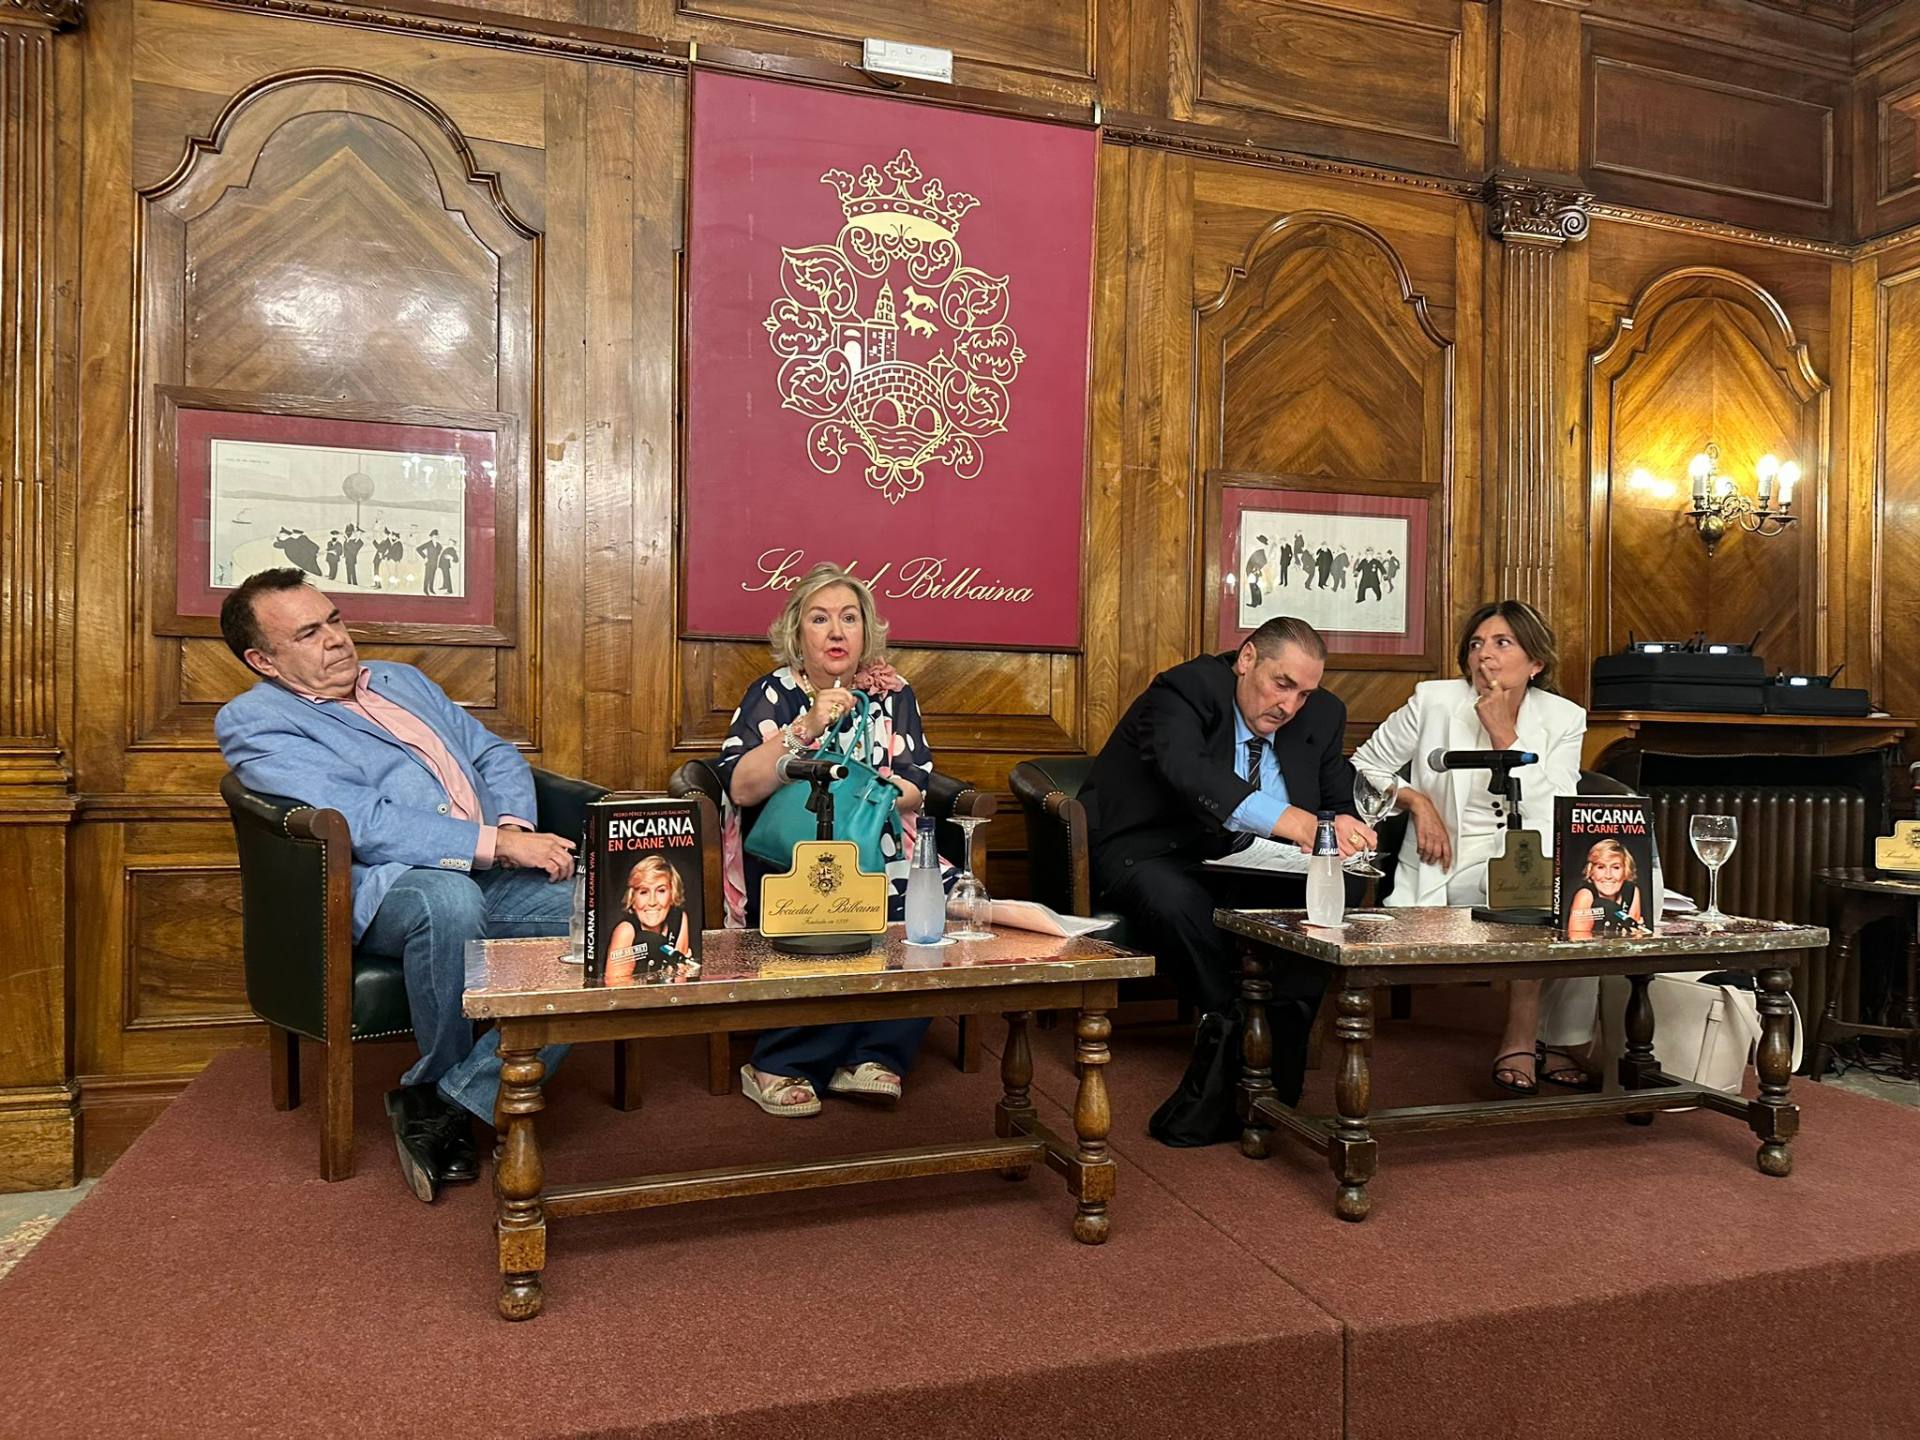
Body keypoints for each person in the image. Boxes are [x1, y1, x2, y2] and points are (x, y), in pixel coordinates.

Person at [214, 568, 576, 1203]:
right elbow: (365, 823)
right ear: (263, 661)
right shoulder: (255, 721)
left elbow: (492, 755)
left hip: (491, 867)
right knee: (448, 900)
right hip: (385, 886)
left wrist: (514, 826)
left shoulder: (400, 681)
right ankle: (452, 1091)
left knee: (609, 919)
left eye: (334, 620)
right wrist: (497, 845)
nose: (336, 639)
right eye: (308, 633)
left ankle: (446, 1098)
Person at [1082, 617, 1375, 1140]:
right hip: (1152, 848)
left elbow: (1336, 799)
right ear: (1246, 659)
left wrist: (1348, 826)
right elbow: (1190, 772)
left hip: (1248, 858)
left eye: (1304, 693)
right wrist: (1297, 823)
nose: (1289, 706)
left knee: (1336, 887)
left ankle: (1276, 1037)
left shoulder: (1323, 713)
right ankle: (1238, 1030)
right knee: (1179, 901)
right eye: (1281, 684)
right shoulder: (1184, 690)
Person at [713, 563, 945, 1118]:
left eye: (849, 618)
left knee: (928, 911)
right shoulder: (773, 693)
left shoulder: (893, 694)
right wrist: (809, 726)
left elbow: (918, 781)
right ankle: (781, 1061)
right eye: (820, 619)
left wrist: (869, 793)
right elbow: (741, 787)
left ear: (866, 631)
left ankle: (874, 1054)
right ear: (798, 633)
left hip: (878, 845)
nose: (836, 632)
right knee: (824, 903)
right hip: (789, 853)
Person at [1349, 599, 1593, 1095]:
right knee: (1534, 888)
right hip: (1450, 864)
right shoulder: (1434, 700)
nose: (1485, 655)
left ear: (1535, 662)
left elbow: (1557, 807)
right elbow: (1363, 765)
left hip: (1532, 852)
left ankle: (1558, 1036)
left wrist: (1505, 735)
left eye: (1503, 643)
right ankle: (1524, 1034)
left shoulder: (1564, 717)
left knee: (1584, 891)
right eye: (1477, 644)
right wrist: (1417, 801)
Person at [605, 855, 697, 985]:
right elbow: (615, 987)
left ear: (672, 894)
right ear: (632, 899)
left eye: (661, 891)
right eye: (644, 892)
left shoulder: (679, 919)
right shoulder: (626, 931)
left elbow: (680, 978)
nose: (652, 902)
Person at [1566, 840, 1645, 939]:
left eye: (1616, 867)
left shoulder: (1632, 891)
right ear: (1591, 872)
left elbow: (1634, 936)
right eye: (1601, 867)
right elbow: (1578, 941)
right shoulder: (1585, 896)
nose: (1608, 875)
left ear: (1625, 871)